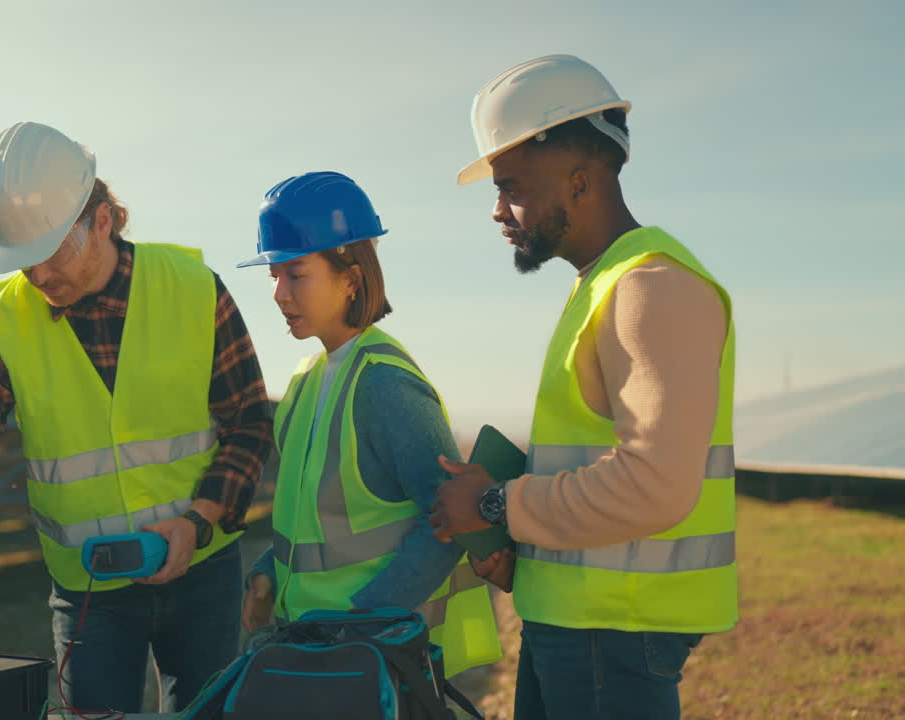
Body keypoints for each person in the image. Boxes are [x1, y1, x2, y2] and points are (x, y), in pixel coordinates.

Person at [0, 122, 274, 713]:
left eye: (51, 252)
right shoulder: (5, 324)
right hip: (90, 593)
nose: (38, 277)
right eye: (23, 261)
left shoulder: (192, 288)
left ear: (102, 220)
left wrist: (198, 522)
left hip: (202, 571)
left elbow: (249, 424)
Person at [431, 55, 738, 720]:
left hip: (612, 634)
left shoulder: (650, 288)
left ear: (579, 178)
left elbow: (654, 485)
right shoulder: (604, 285)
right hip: (580, 626)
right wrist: (521, 543)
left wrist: (494, 504)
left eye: (510, 186)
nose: (497, 211)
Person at [238, 171, 501, 678]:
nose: (278, 293)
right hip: (316, 649)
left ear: (351, 277)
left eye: (296, 274)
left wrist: (360, 625)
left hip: (376, 660)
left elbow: (448, 525)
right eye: (273, 276)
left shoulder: (385, 383)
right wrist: (267, 573)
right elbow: (315, 522)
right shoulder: (305, 381)